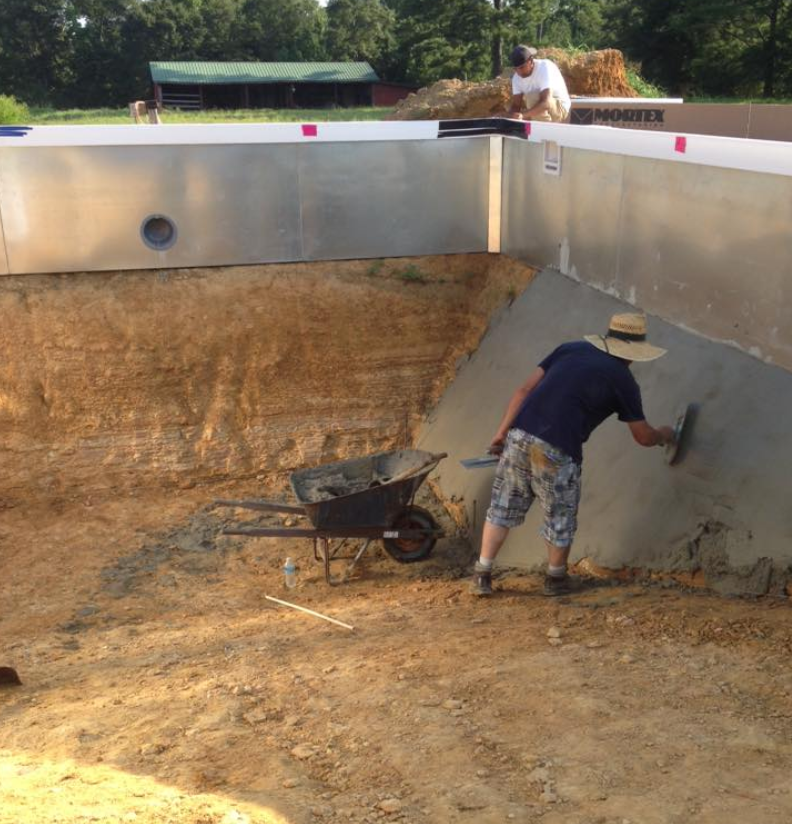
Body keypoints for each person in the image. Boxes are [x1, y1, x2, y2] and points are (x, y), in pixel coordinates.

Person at [472, 313, 676, 597]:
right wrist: (665, 434)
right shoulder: (624, 380)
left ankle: (482, 574)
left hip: (519, 435)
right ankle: (555, 580)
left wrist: (501, 433)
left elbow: (523, 390)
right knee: (559, 514)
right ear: (634, 354)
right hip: (555, 450)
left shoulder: (570, 348)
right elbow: (643, 437)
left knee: (503, 506)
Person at [508, 44, 571, 123]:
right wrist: (508, 117)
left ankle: (545, 132)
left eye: (521, 67)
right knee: (525, 107)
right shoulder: (516, 78)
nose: (519, 72)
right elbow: (516, 106)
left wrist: (523, 115)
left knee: (532, 98)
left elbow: (546, 103)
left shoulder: (545, 67)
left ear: (530, 61)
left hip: (560, 107)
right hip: (542, 110)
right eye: (515, 69)